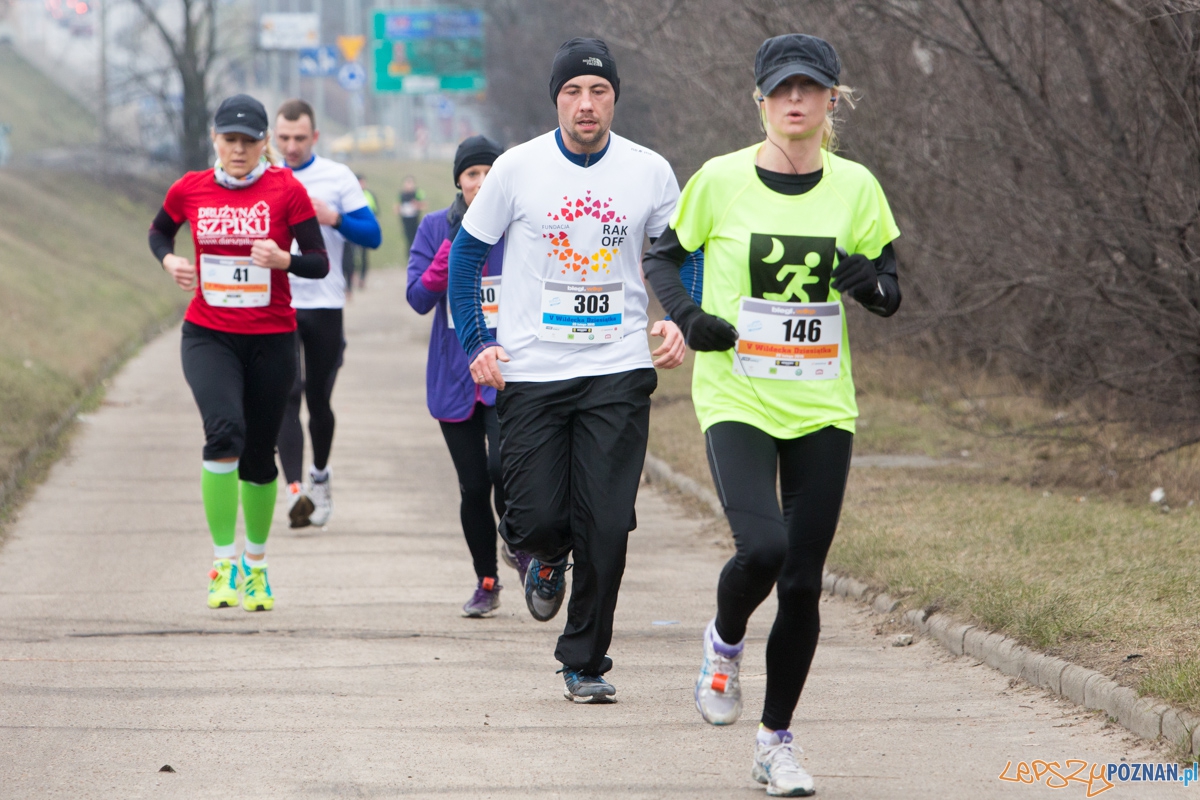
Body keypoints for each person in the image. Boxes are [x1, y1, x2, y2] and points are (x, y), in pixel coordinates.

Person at [643, 34, 901, 797]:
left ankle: (775, 743)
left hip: (823, 401)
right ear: (760, 101)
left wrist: (869, 285)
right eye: (782, 90)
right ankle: (723, 643)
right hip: (738, 392)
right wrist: (689, 317)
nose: (797, 102)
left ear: (831, 102)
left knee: (802, 583)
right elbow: (663, 254)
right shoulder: (721, 179)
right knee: (761, 548)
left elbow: (890, 288)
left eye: (811, 90)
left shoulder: (856, 187)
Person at [448, 38, 687, 703]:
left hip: (618, 368)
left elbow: (680, 256)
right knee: (536, 516)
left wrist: (679, 318)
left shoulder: (648, 171)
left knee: (607, 525)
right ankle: (541, 556)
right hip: (532, 372)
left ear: (615, 98)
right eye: (573, 92)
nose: (586, 104)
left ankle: (585, 662)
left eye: (599, 91)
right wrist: (478, 343)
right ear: (556, 99)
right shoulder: (519, 169)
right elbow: (466, 261)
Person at [148, 94, 329, 611]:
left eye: (249, 142)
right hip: (209, 334)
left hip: (272, 339)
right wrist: (170, 263)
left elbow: (318, 261)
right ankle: (222, 562)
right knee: (224, 431)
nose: (239, 150)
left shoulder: (286, 190)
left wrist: (283, 259)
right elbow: (160, 230)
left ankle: (256, 565)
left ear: (263, 143)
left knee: (258, 455)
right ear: (216, 140)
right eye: (230, 140)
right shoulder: (190, 188)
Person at [407, 135, 516, 617]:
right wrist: (450, 255)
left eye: (491, 174)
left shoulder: (519, 227)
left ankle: (519, 538)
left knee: (504, 469)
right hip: (454, 379)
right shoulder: (435, 229)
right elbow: (417, 298)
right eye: (473, 174)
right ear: (460, 181)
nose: (481, 183)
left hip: (507, 375)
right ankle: (486, 580)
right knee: (473, 486)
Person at [273, 99, 382, 529]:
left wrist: (333, 217)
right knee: (287, 394)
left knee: (318, 399)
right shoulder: (266, 177)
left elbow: (372, 235)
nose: (291, 146)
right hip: (279, 303)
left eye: (300, 138)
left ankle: (320, 476)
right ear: (273, 137)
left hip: (325, 302)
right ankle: (295, 491)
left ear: (314, 137)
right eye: (283, 138)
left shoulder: (336, 178)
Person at [343, 174, 379, 294]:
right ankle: (351, 279)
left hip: (365, 231)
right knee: (351, 257)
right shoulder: (350, 195)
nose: (362, 185)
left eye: (364, 182)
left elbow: (376, 212)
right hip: (353, 231)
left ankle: (362, 278)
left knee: (364, 256)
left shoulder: (369, 195)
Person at [395, 175, 426, 252]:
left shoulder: (418, 193)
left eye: (410, 183)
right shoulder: (401, 195)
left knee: (417, 240)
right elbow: (396, 208)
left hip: (415, 220)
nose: (409, 185)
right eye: (407, 183)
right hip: (405, 221)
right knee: (408, 242)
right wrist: (401, 208)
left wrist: (416, 204)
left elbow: (424, 205)